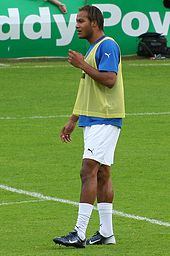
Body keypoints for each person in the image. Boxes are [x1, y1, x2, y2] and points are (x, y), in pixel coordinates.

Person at [53, 5, 125, 248]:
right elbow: (87, 88)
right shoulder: (92, 49)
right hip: (93, 119)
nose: (77, 25)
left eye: (81, 21)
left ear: (94, 22)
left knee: (88, 170)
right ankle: (107, 233)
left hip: (105, 117)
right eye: (76, 21)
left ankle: (79, 233)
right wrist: (73, 120)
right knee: (102, 173)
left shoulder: (107, 45)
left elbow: (110, 79)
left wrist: (83, 65)